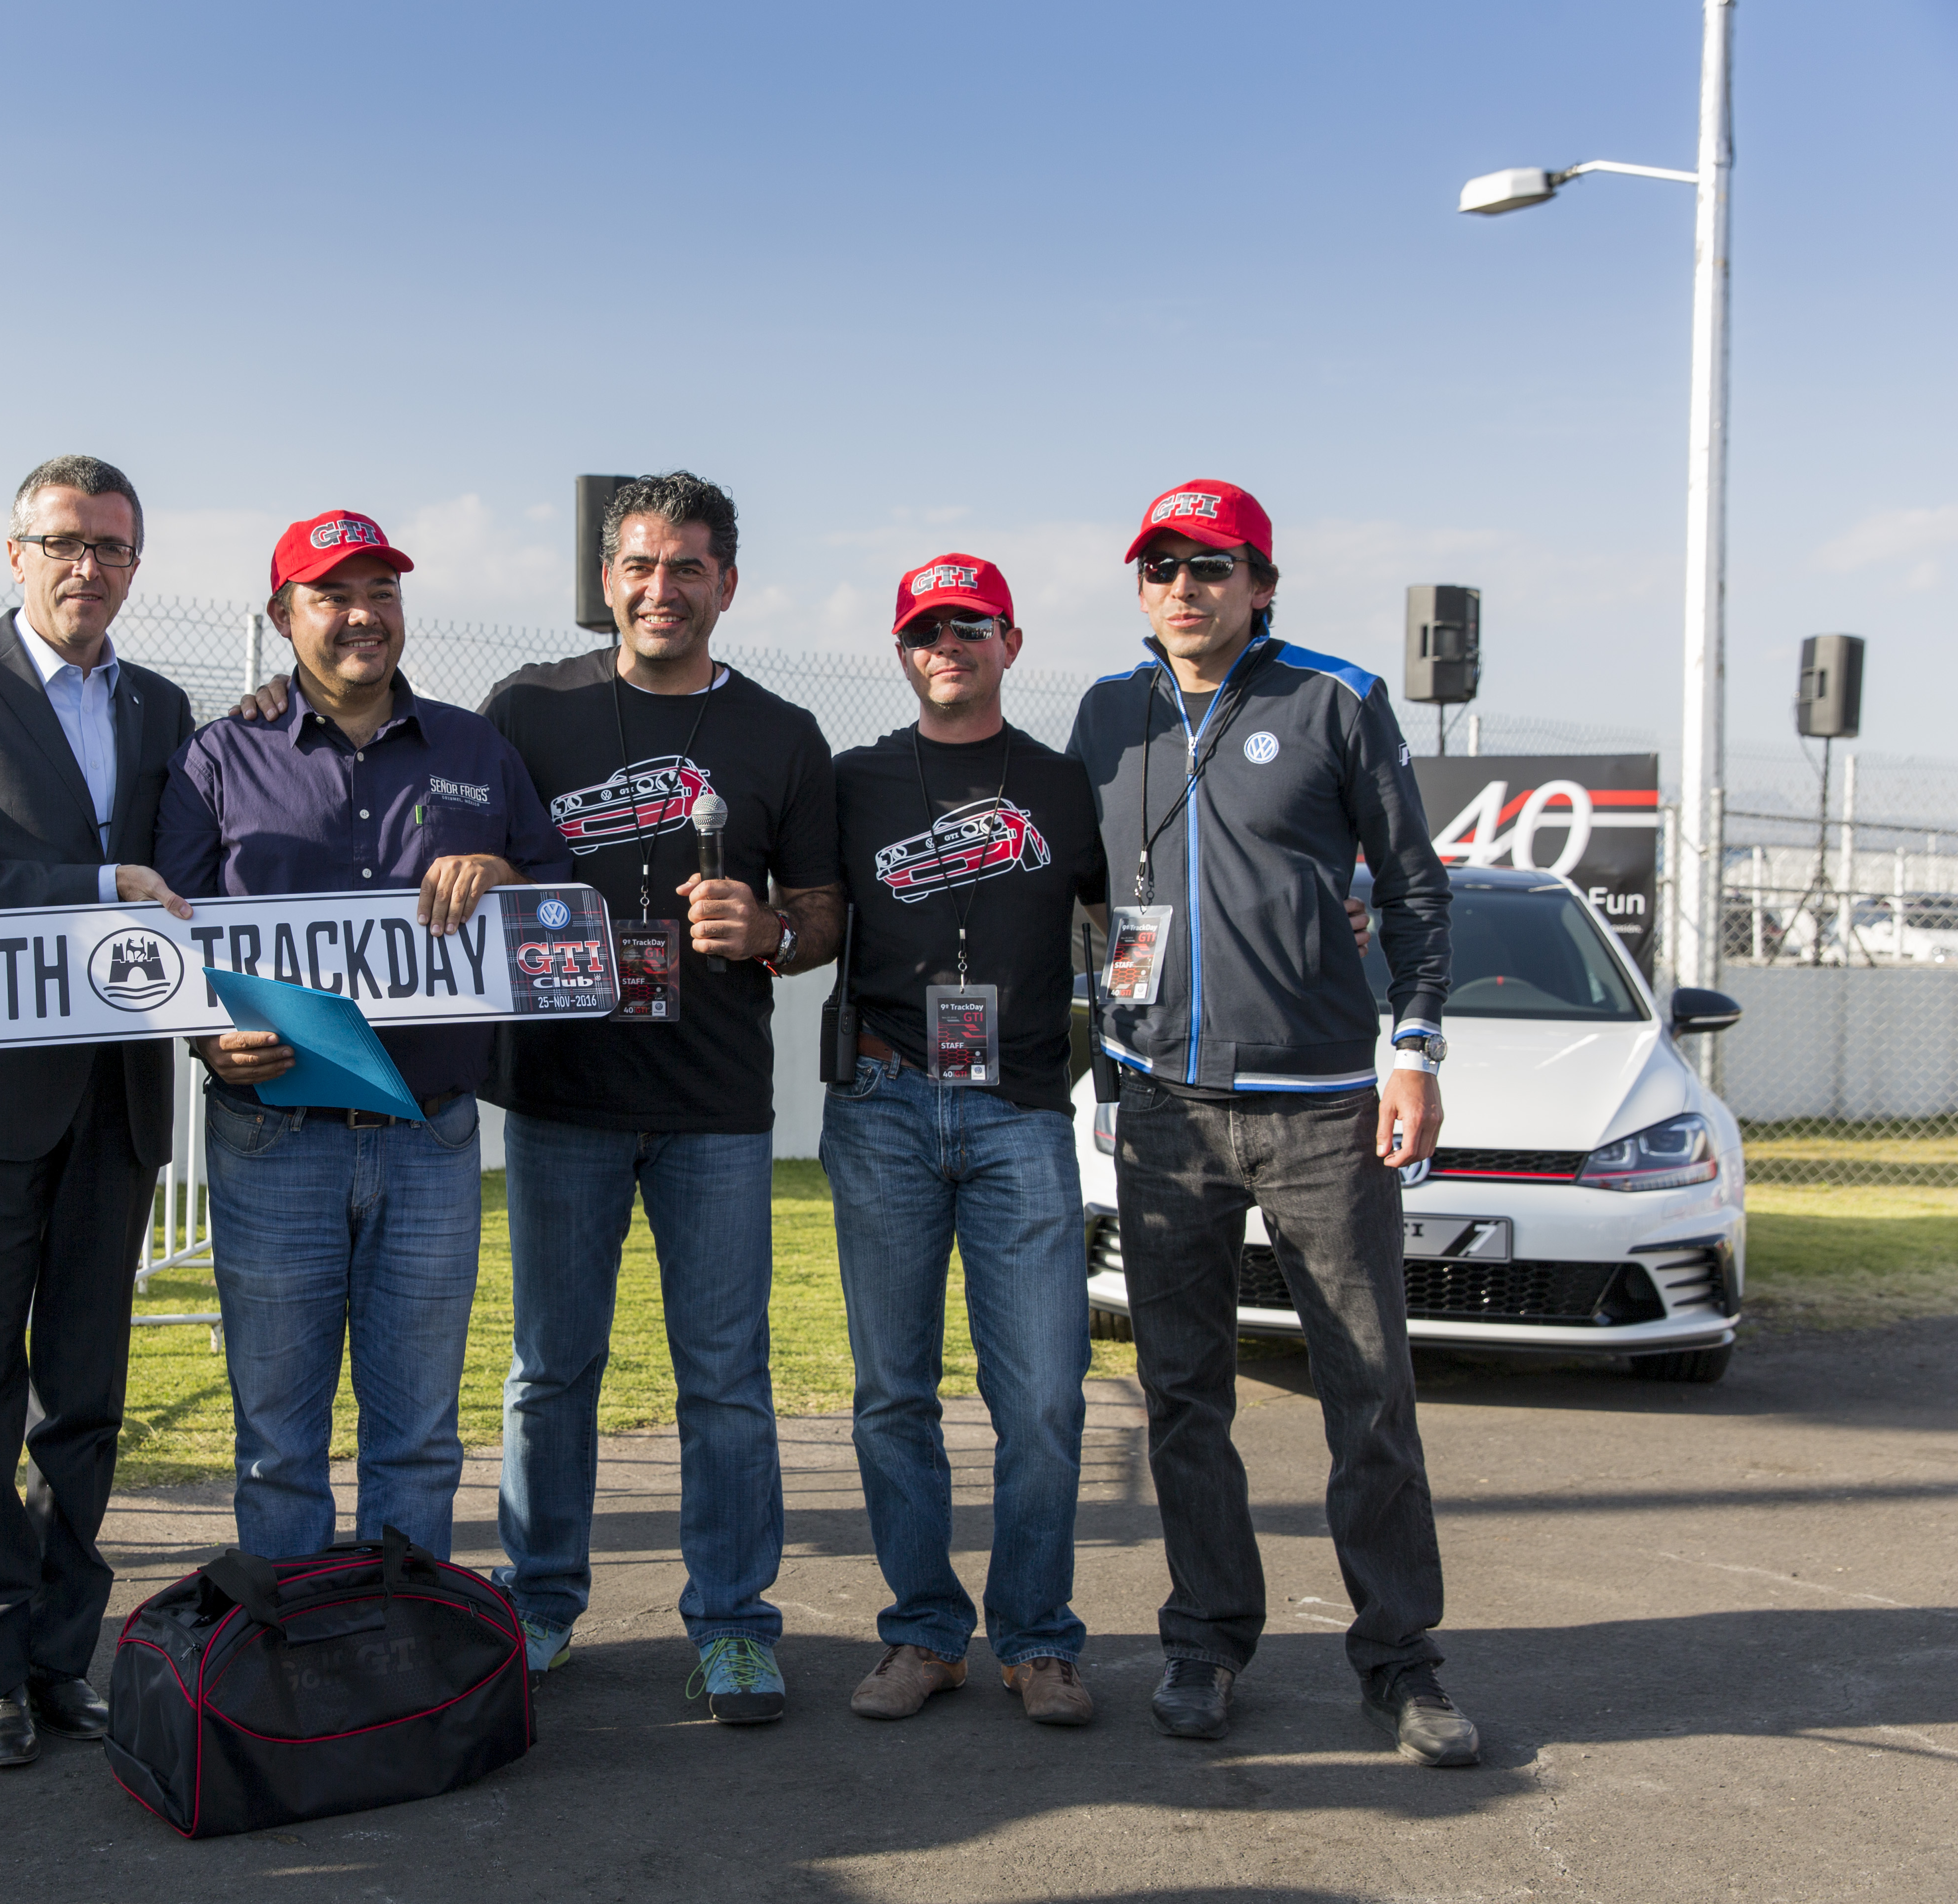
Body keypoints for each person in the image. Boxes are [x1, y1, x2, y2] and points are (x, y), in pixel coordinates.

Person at [1064, 478, 1474, 1767]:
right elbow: (1078, 895)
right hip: (1163, 1113)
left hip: (1321, 1112)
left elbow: (1414, 890)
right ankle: (1206, 1639)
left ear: (1262, 584)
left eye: (1213, 565)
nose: (1184, 586)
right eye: (1162, 565)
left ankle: (1402, 1662)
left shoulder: (1337, 697)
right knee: (1182, 1394)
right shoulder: (1105, 713)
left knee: (1369, 1393)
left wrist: (1413, 1050)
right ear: (1141, 587)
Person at [481, 473, 843, 1725]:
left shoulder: (784, 734)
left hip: (715, 1108)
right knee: (549, 1370)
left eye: (687, 567)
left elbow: (826, 914)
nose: (660, 588)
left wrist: (772, 933)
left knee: (727, 1378)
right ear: (605, 580)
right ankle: (537, 1605)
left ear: (726, 585)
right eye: (639, 565)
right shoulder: (527, 709)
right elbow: (463, 845)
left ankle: (735, 1624)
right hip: (563, 1096)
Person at [156, 510, 572, 1561]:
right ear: (283, 615)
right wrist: (211, 1039)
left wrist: (509, 877)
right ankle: (295, 1673)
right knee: (278, 1443)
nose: (361, 616)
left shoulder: (477, 749)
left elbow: (560, 900)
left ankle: (404, 1664)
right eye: (333, 595)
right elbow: (170, 940)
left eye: (381, 593)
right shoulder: (219, 756)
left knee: (422, 1438)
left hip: (429, 1133)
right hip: (273, 1134)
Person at [0, 455, 197, 1770]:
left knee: (86, 1394)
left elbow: (204, 878)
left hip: (116, 1096)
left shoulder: (167, 704)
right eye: (65, 542)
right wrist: (95, 885)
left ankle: (66, 1654)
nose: (89, 568)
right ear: (16, 553)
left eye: (113, 548)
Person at [820, 554, 1108, 1726]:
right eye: (928, 631)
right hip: (885, 1102)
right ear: (902, 652)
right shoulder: (853, 782)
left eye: (971, 628)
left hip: (1021, 1107)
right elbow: (801, 912)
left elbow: (1134, 906)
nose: (950, 646)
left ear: (1012, 644)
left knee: (1043, 1394)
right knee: (895, 1391)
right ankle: (926, 1634)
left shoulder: (1064, 783)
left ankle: (1037, 1640)